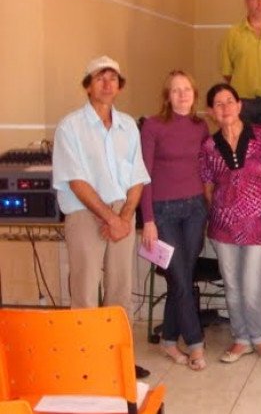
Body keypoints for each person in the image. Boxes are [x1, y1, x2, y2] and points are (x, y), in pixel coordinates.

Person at [52, 55, 152, 379]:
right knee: (84, 291)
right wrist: (111, 218)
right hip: (85, 213)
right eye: (99, 77)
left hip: (122, 214)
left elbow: (137, 177)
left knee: (121, 291)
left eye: (113, 78)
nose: (107, 84)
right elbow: (77, 180)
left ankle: (117, 361)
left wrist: (123, 216)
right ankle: (85, 364)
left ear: (119, 87)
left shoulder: (128, 127)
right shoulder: (71, 126)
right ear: (87, 86)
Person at [200, 83, 261, 363]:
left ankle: (259, 337)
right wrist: (219, 214)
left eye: (229, 101)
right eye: (218, 104)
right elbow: (208, 187)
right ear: (211, 111)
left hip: (260, 226)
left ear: (239, 105)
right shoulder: (209, 146)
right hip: (223, 229)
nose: (225, 108)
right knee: (232, 286)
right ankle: (241, 339)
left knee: (250, 284)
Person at [139, 70, 210, 371]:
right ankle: (195, 343)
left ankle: (169, 340)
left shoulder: (200, 126)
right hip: (163, 212)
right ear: (167, 95)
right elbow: (143, 175)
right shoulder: (152, 126)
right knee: (180, 278)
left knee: (182, 277)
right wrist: (148, 220)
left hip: (195, 209)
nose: (182, 94)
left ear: (194, 94)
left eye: (187, 89)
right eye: (175, 90)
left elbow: (208, 168)